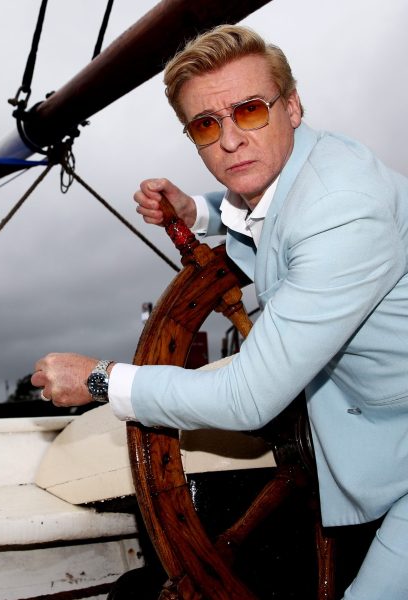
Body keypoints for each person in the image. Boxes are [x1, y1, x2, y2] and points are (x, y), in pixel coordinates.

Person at [31, 24, 408, 599]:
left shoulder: (343, 212)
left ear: (294, 105)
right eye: (206, 125)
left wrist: (101, 380)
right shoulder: (301, 172)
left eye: (250, 110)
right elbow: (271, 209)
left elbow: (247, 397)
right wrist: (198, 211)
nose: (230, 141)